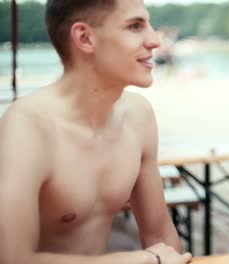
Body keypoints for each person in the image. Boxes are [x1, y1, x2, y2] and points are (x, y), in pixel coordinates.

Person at [0, 1, 191, 264]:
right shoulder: (27, 126)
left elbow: (159, 235)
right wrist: (139, 260)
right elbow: (13, 259)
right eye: (135, 26)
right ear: (85, 38)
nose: (155, 40)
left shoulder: (138, 115)